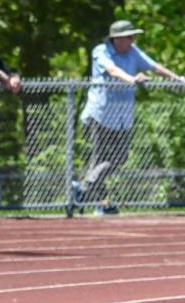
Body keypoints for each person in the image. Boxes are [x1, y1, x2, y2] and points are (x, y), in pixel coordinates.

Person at [74, 20, 185, 215]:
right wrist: (133, 79)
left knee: (120, 157)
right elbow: (113, 71)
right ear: (117, 39)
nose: (132, 40)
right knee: (99, 159)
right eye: (129, 36)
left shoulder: (133, 51)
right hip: (101, 114)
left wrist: (176, 79)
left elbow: (155, 66)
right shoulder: (101, 51)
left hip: (123, 117)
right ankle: (101, 203)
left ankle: (83, 188)